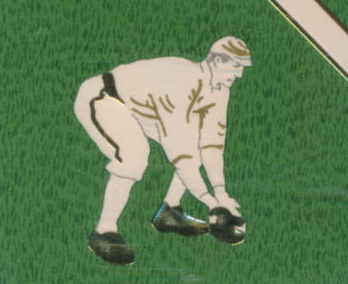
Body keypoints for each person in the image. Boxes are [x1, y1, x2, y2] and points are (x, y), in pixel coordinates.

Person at [74, 36, 251, 265]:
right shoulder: (183, 82)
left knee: (196, 145)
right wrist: (212, 204)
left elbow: (212, 144)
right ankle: (104, 232)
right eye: (236, 66)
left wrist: (221, 193)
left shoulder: (219, 88)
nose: (239, 74)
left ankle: (169, 214)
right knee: (134, 155)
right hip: (104, 96)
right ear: (217, 61)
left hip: (142, 107)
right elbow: (181, 156)